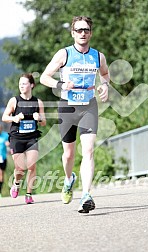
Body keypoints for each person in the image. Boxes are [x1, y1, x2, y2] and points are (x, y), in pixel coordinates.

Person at [40, 16, 109, 213]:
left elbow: (104, 74)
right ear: (72, 33)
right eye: (78, 30)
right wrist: (61, 85)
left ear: (91, 33)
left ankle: (86, 195)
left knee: (88, 151)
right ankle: (69, 179)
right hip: (67, 107)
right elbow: (45, 77)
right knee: (68, 154)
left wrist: (105, 85)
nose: (83, 33)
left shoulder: (98, 56)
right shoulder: (64, 54)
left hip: (88, 106)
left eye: (86, 30)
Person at [2, 73, 46, 204]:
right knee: (20, 169)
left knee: (32, 166)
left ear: (31, 85)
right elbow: (4, 117)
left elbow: (44, 122)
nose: (21, 86)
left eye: (24, 83)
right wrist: (14, 118)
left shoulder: (38, 102)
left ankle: (28, 194)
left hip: (32, 137)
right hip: (17, 138)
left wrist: (40, 118)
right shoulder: (14, 101)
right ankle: (16, 183)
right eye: (20, 84)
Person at [0, 123, 9, 197]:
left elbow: (9, 143)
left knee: (1, 175)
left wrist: (8, 144)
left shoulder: (5, 135)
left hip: (2, 158)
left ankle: (0, 191)